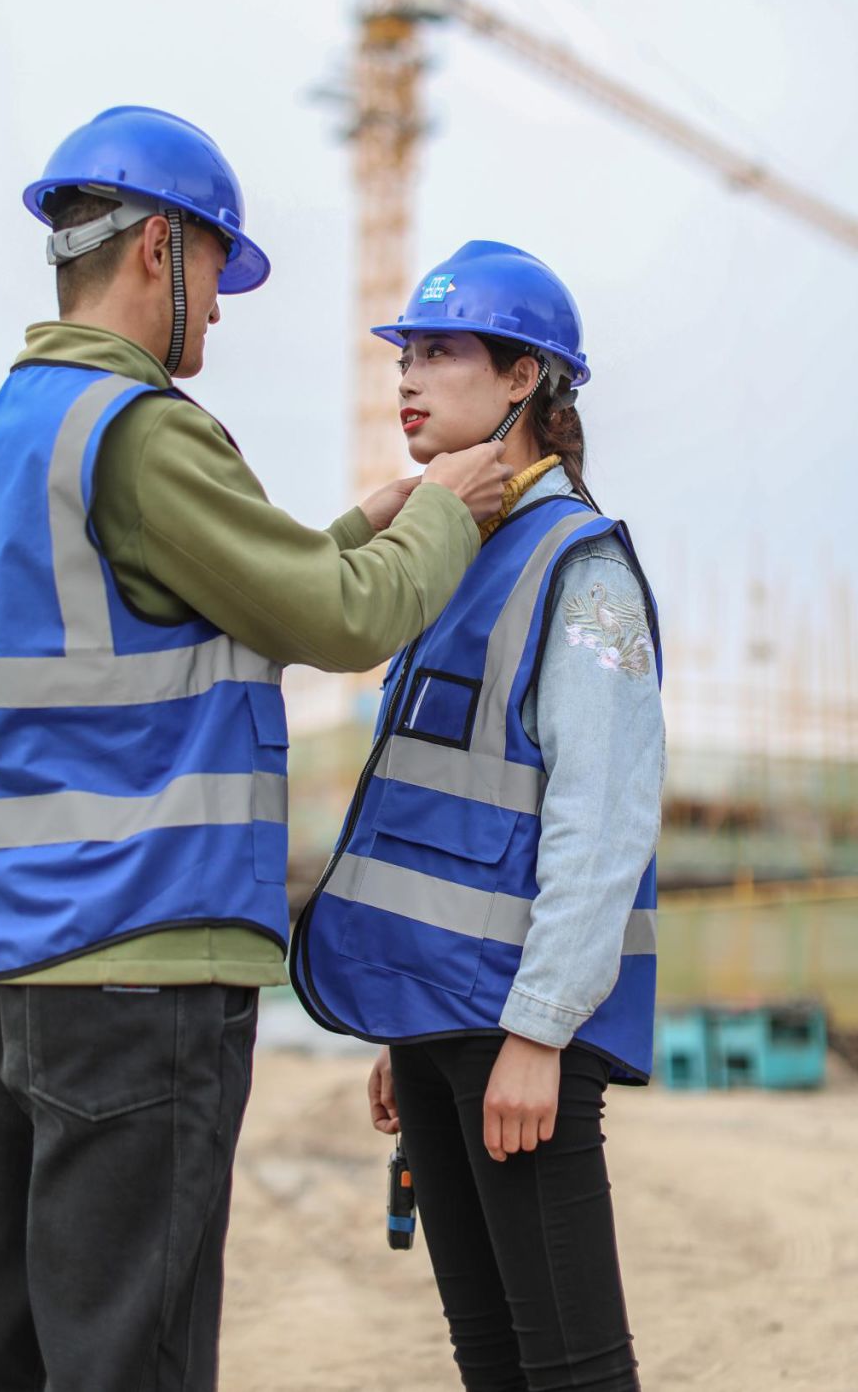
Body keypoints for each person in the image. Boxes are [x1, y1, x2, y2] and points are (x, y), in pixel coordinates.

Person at [0, 109, 513, 1392]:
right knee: (133, 1355)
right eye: (217, 272)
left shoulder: (6, 435)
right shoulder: (144, 429)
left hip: (3, 963)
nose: (223, 314)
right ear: (158, 252)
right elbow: (341, 621)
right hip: (136, 966)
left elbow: (220, 599)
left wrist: (360, 523)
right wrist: (449, 519)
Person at [291, 240, 665, 1392]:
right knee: (492, 1359)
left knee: (571, 1368)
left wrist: (542, 1031)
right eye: (405, 352)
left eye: (440, 353)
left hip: (519, 1035)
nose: (407, 377)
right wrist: (403, 1019)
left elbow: (601, 824)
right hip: (442, 1021)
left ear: (522, 383)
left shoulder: (578, 567)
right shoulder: (450, 561)